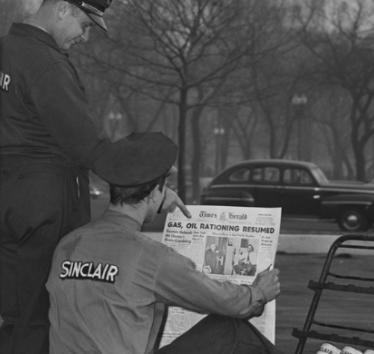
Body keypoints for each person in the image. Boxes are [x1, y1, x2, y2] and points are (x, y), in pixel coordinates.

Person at [0, 0, 187, 354]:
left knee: (16, 313)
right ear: (62, 10)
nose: (85, 38)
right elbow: (89, 144)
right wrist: (149, 186)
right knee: (43, 317)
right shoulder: (46, 64)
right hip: (46, 200)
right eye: (84, 25)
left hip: (1, 199)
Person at [47, 133, 285, 354]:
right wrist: (259, 293)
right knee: (231, 328)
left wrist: (155, 197)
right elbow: (226, 301)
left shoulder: (68, 245)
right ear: (153, 194)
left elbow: (114, 257)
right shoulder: (150, 257)